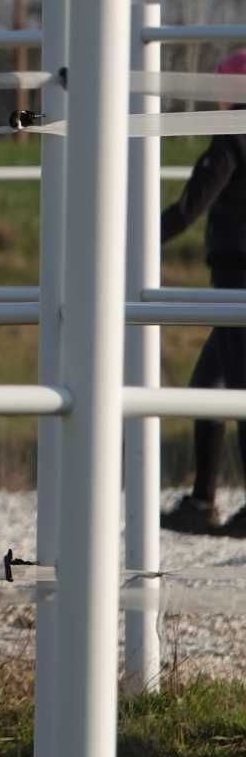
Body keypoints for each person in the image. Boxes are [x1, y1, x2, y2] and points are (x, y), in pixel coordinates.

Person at [158, 47, 246, 534]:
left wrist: (129, 239)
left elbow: (189, 208)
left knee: (236, 389)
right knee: (208, 387)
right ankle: (202, 499)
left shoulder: (230, 144)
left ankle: (208, 501)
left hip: (236, 274)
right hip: (233, 278)